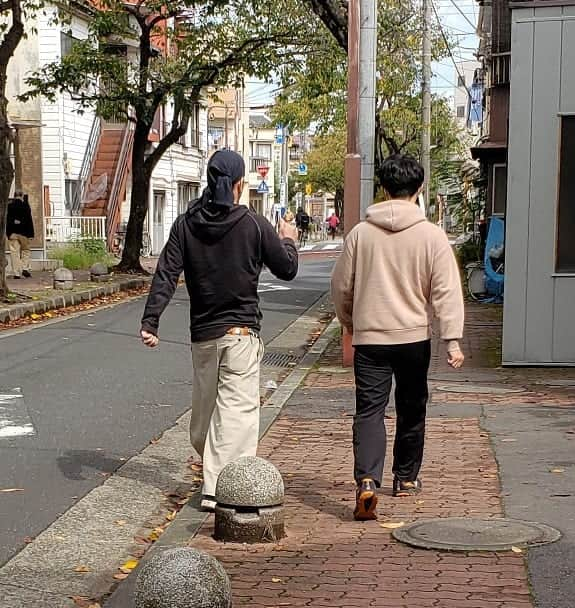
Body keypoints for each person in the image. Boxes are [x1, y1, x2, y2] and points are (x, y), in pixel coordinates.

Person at [140, 150, 299, 511]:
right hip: (241, 335)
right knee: (233, 415)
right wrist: (288, 238)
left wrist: (151, 320)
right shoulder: (255, 225)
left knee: (208, 416)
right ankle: (219, 490)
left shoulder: (186, 224)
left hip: (203, 337)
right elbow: (287, 268)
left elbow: (166, 272)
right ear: (239, 185)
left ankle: (215, 481)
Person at [331, 154, 465, 521]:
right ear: (419, 188)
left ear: (384, 189)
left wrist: (349, 322)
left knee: (370, 410)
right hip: (413, 340)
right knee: (411, 407)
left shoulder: (360, 234)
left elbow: (342, 286)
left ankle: (368, 482)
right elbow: (446, 291)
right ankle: (405, 478)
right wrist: (452, 338)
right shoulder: (432, 236)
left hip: (370, 339)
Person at [6, 191, 34, 279]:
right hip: (24, 233)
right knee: (26, 250)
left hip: (13, 233)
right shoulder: (25, 206)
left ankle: (17, 273)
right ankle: (24, 268)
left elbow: (7, 220)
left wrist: (8, 233)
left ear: (14, 196)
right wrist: (31, 234)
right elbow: (29, 220)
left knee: (15, 253)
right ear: (21, 196)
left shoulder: (9, 206)